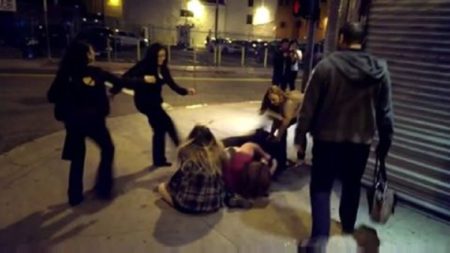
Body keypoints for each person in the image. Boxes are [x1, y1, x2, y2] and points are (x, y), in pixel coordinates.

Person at [294, 22, 394, 245]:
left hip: (327, 141)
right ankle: (347, 229)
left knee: (321, 186)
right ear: (363, 41)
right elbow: (385, 112)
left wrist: (300, 137)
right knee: (352, 184)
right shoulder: (379, 70)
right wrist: (385, 143)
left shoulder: (325, 67)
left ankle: (319, 239)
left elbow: (308, 107)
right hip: (360, 144)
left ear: (341, 38)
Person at [47, 41, 135, 206]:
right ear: (87, 55)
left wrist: (71, 96)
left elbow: (51, 96)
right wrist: (113, 93)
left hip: (74, 123)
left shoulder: (66, 73)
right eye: (91, 51)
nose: (94, 53)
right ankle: (103, 187)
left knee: (78, 157)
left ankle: (75, 196)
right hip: (94, 122)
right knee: (108, 148)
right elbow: (120, 82)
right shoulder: (97, 73)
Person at [123, 43, 196, 168]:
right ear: (152, 56)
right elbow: (125, 79)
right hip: (144, 102)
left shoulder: (162, 68)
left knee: (160, 130)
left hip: (155, 102)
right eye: (159, 56)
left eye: (164, 56)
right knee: (168, 124)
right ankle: (183, 154)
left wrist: (185, 91)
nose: (162, 59)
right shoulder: (144, 65)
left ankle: (159, 160)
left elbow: (172, 84)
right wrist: (143, 80)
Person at [156, 125, 226, 214]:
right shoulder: (219, 151)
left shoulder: (185, 151)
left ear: (191, 138)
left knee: (161, 187)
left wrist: (169, 186)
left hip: (186, 206)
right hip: (214, 205)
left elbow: (180, 177)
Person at [260, 86, 304, 178]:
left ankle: (300, 159)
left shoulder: (288, 103)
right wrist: (271, 134)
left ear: (280, 96)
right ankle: (282, 160)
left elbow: (285, 123)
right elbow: (277, 122)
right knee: (281, 132)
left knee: (300, 131)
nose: (272, 102)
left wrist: (278, 137)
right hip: (296, 113)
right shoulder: (280, 103)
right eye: (270, 100)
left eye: (273, 100)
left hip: (305, 111)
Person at [222, 142, 277, 208]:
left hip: (227, 150)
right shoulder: (235, 185)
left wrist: (265, 156)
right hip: (236, 188)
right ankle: (238, 197)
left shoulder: (242, 159)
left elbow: (250, 145)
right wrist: (272, 167)